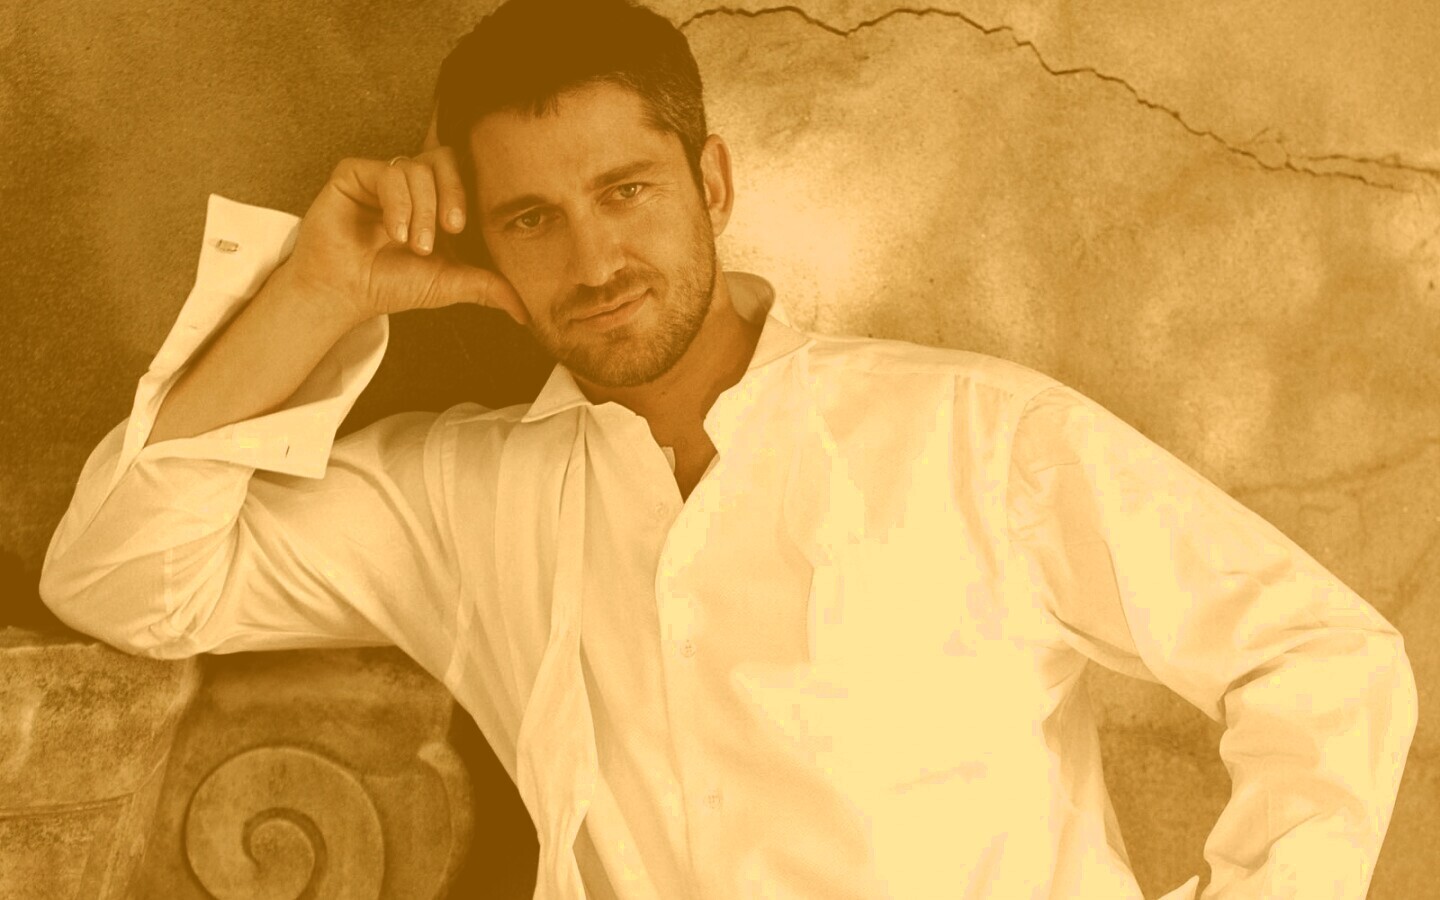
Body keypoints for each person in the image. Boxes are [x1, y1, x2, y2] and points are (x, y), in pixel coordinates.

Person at [39, 0, 1417, 897]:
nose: (593, 261)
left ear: (711, 184)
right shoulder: (467, 500)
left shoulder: (974, 438)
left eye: (625, 191)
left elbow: (1321, 660)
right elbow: (122, 581)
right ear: (482, 242)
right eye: (531, 220)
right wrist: (319, 292)